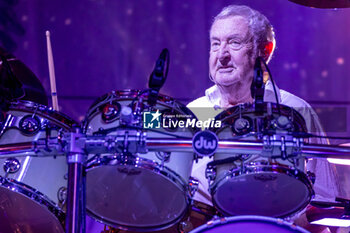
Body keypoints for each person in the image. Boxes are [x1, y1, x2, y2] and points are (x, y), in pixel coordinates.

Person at [187, 5, 343, 233]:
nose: (222, 55)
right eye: (215, 44)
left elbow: (324, 204)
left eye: (234, 42)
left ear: (264, 51)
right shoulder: (193, 111)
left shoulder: (295, 111)